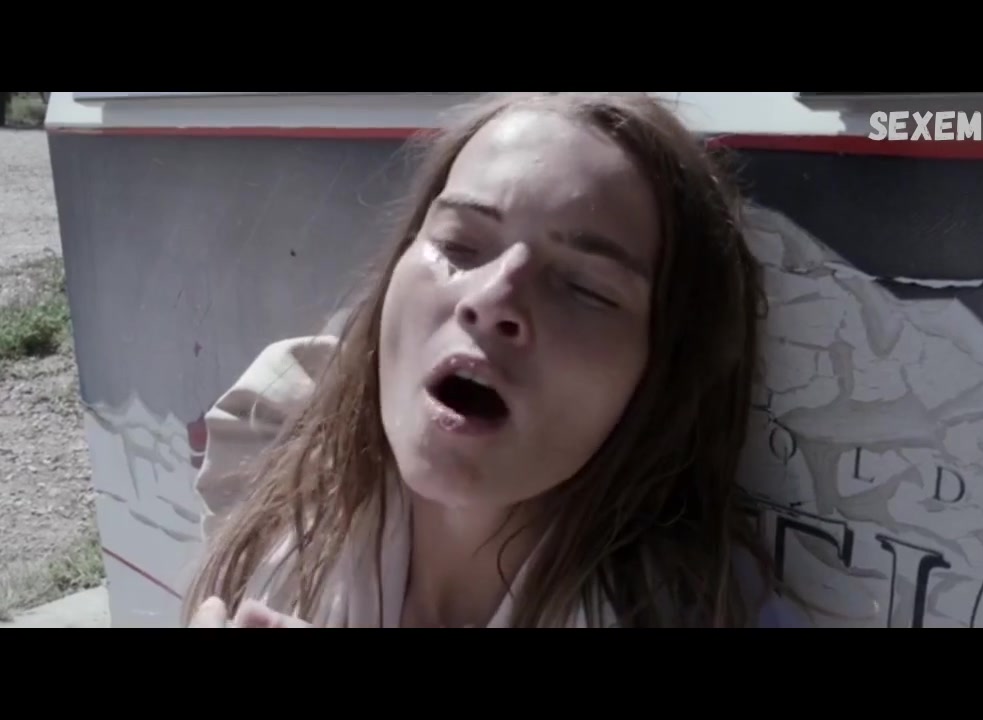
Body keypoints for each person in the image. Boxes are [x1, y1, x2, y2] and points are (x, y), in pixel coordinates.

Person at [185, 92, 810, 628]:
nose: (492, 300)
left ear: (659, 376)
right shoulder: (269, 488)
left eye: (586, 288)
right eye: (459, 243)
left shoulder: (703, 613)